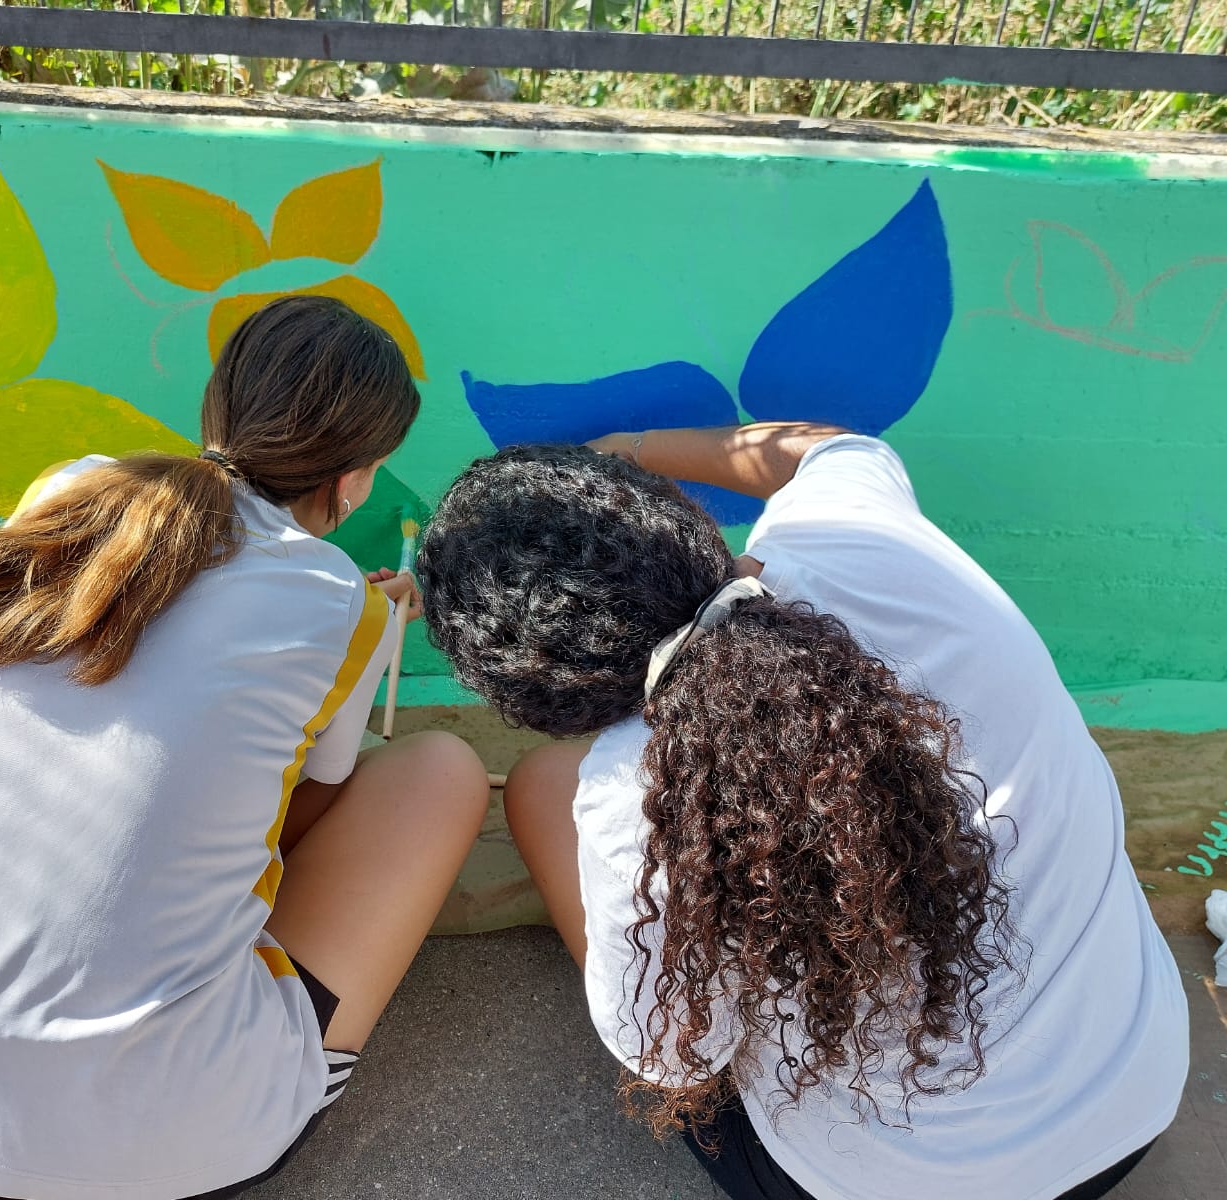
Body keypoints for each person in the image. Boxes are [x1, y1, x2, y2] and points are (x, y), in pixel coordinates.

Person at [415, 424, 1187, 1200]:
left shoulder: (632, 795)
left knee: (542, 791)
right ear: (675, 516)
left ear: (529, 693)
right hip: (1136, 1097)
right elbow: (831, 447)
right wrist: (630, 448)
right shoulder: (866, 533)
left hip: (906, 1184)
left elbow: (675, 1057)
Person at [0, 296, 489, 1200]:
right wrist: (370, 627)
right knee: (440, 770)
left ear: (215, 408)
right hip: (181, 1146)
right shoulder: (340, 600)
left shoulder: (65, 491)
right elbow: (307, 806)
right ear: (353, 483)